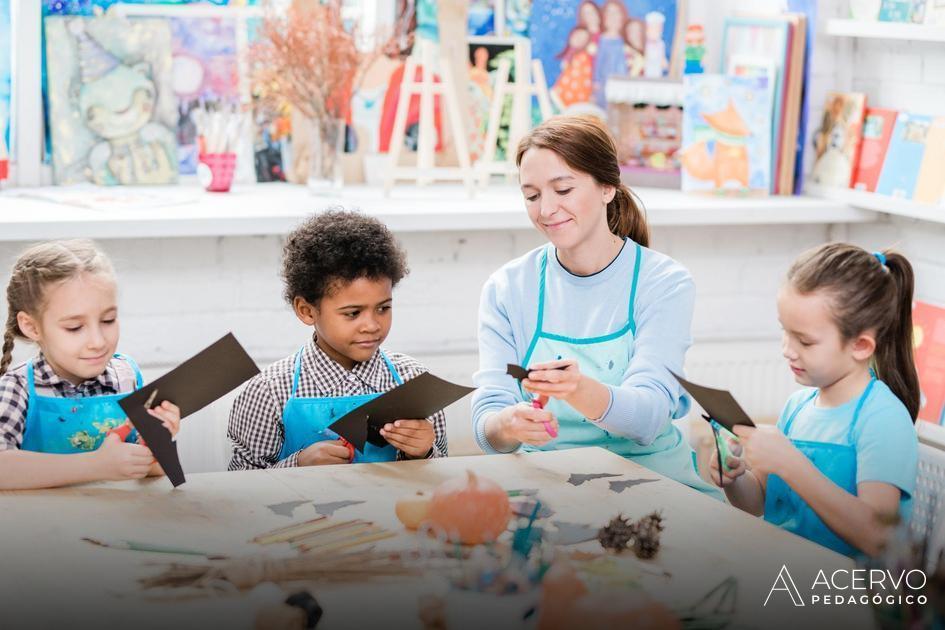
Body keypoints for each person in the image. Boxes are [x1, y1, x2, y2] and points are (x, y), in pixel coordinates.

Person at [472, 115, 722, 499]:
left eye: (563, 189)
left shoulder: (664, 282)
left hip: (655, 485)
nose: (546, 209)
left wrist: (579, 389)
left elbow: (649, 416)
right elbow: (489, 418)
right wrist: (508, 424)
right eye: (532, 195)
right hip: (547, 487)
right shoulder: (507, 288)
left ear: (608, 187)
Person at [712, 244, 919, 557]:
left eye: (805, 341)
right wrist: (735, 478)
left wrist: (790, 463)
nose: (787, 349)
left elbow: (879, 537)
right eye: (785, 332)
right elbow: (758, 503)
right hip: (783, 573)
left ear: (861, 346)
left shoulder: (883, 418)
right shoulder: (798, 407)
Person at [228, 209, 447, 469]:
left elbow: (441, 483)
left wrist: (422, 453)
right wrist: (297, 465)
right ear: (306, 310)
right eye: (353, 313)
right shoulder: (268, 392)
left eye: (383, 308)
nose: (372, 325)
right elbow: (242, 489)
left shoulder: (415, 383)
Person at [0, 239, 180, 489]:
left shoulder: (127, 376)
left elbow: (153, 471)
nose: (97, 342)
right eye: (74, 327)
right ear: (32, 327)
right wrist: (96, 465)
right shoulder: (17, 388)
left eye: (108, 320)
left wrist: (160, 442)